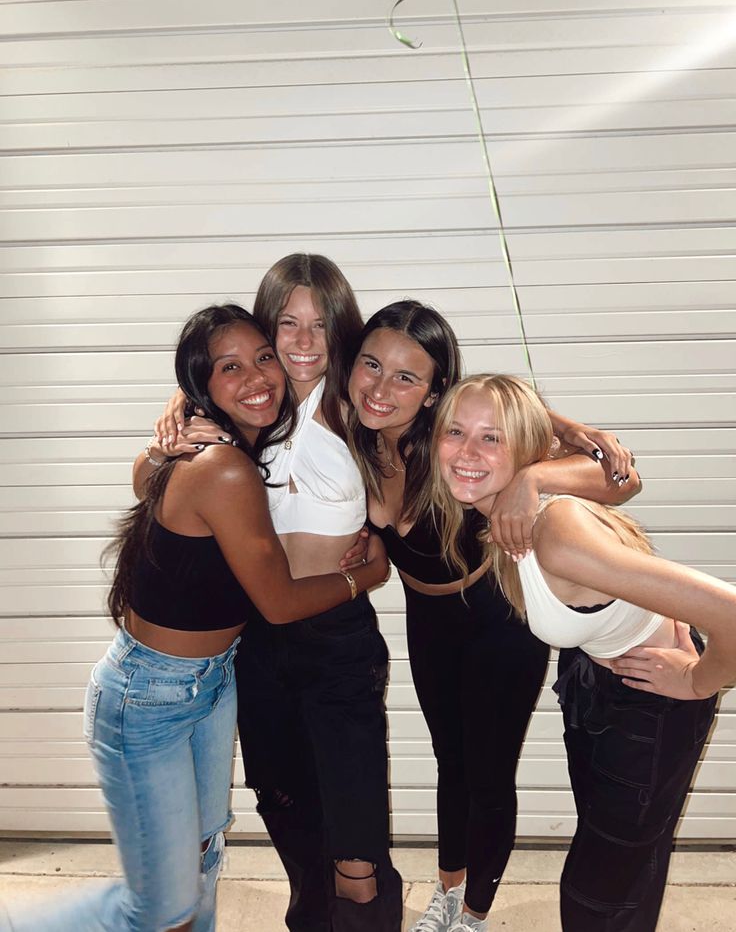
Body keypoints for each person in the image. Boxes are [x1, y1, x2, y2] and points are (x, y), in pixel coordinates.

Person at [0, 305, 388, 932]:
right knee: (162, 904)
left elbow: (144, 476)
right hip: (147, 695)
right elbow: (279, 602)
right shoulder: (225, 466)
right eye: (229, 368)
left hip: (209, 682)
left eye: (265, 357)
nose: (257, 376)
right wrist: (366, 574)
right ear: (201, 384)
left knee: (202, 866)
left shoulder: (240, 441)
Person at [346, 301, 641, 932]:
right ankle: (448, 892)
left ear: (434, 392)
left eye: (407, 377)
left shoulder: (452, 441)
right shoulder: (352, 438)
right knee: (448, 761)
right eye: (371, 364)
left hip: (497, 620)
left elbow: (620, 482)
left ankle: (474, 913)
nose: (382, 386)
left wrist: (533, 476)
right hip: (427, 623)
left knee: (487, 772)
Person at [141, 256, 403, 932]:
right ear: (267, 329)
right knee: (284, 805)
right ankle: (309, 914)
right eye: (287, 323)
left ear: (343, 327)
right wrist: (165, 435)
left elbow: (456, 395)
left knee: (355, 847)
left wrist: (560, 429)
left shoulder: (358, 399)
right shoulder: (248, 403)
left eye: (321, 323)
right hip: (255, 644)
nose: (305, 341)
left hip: (337, 643)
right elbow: (152, 481)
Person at [432, 373, 733, 932]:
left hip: (650, 708)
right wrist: (560, 439)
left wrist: (697, 680)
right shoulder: (510, 511)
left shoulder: (557, 531)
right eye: (455, 432)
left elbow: (732, 614)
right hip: (596, 682)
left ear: (525, 448)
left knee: (593, 899)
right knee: (627, 874)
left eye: (491, 438)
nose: (466, 452)